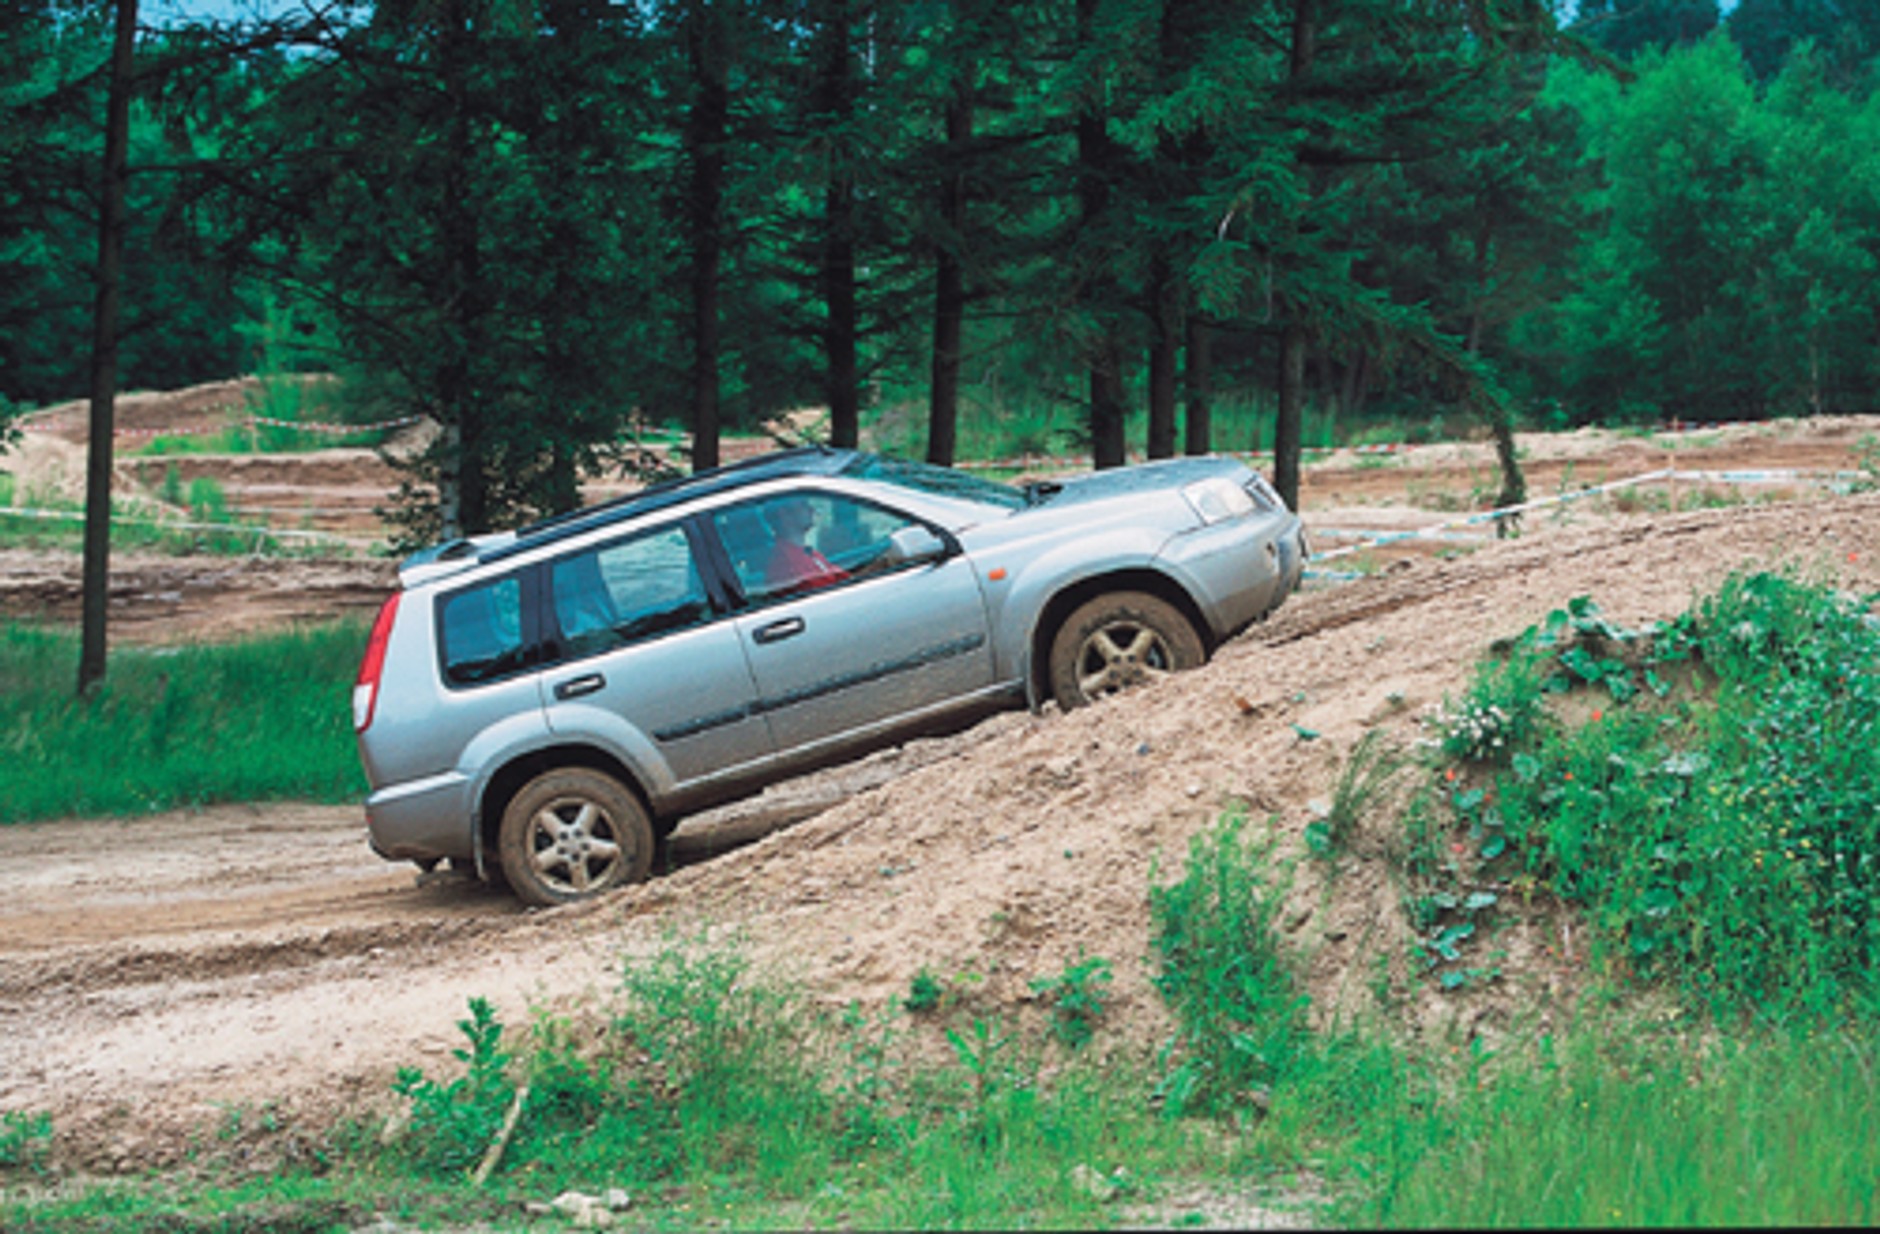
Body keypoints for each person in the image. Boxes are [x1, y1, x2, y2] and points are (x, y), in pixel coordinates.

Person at [764, 498, 849, 594]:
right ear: (784, 514)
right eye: (803, 505)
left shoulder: (808, 552)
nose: (811, 509)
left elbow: (841, 578)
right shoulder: (783, 563)